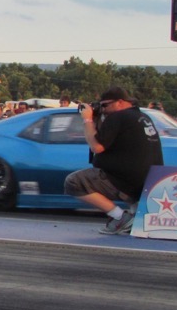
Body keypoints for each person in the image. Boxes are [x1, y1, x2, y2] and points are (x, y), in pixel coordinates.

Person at [64, 86, 163, 235]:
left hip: (124, 180)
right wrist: (97, 120)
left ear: (120, 102)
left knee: (73, 182)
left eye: (105, 105)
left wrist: (87, 119)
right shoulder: (141, 117)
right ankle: (135, 212)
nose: (103, 109)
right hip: (147, 181)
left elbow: (96, 146)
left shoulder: (118, 117)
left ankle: (120, 217)